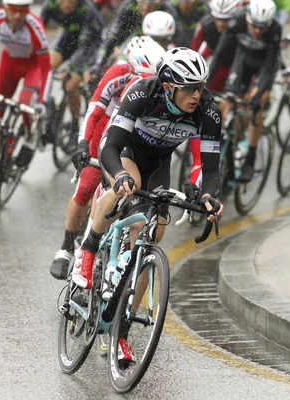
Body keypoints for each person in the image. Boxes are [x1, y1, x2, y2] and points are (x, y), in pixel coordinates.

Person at [72, 48, 223, 362]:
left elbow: (209, 168)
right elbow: (109, 145)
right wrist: (121, 174)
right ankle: (88, 249)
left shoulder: (208, 111)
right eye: (190, 89)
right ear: (168, 86)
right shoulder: (142, 93)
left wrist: (207, 196)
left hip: (159, 163)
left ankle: (122, 333)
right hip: (124, 151)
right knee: (127, 190)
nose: (197, 94)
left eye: (201, 87)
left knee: (152, 236)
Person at [49, 37, 166, 279]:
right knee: (86, 187)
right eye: (144, 77)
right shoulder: (117, 74)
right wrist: (83, 144)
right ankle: (67, 246)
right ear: (133, 68)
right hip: (106, 131)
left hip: (134, 138)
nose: (149, 84)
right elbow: (93, 111)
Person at [0, 0, 52, 193]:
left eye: (22, 11)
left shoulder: (35, 27)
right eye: (13, 10)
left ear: (28, 11)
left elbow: (46, 68)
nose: (17, 16)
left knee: (25, 102)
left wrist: (41, 102)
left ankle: (29, 136)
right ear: (5, 8)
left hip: (32, 66)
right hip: (9, 65)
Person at [209, 0, 281, 183]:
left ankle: (250, 158)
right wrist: (203, 84)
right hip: (243, 62)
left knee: (258, 103)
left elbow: (268, 69)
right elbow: (218, 55)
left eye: (262, 27)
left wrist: (258, 95)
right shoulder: (237, 21)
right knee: (226, 105)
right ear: (247, 19)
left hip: (264, 66)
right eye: (254, 26)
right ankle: (227, 152)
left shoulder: (275, 30)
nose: (257, 31)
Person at [41, 0, 104, 123]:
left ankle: (75, 125)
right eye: (62, 1)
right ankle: (47, 102)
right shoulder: (50, 4)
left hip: (89, 45)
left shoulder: (87, 10)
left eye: (70, 1)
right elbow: (38, 30)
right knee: (46, 64)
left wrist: (69, 68)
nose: (66, 4)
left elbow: (83, 48)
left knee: (70, 84)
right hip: (69, 36)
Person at [85, 0, 179, 81]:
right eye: (142, 2)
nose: (146, 8)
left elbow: (180, 40)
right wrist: (98, 64)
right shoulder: (128, 6)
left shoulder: (169, 11)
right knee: (113, 58)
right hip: (128, 43)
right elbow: (112, 35)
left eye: (150, 4)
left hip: (161, 49)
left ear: (159, 2)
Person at [191, 0, 246, 92]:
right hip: (217, 59)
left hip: (238, 61)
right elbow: (193, 51)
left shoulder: (243, 26)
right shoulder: (205, 24)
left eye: (226, 20)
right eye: (217, 18)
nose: (221, 24)